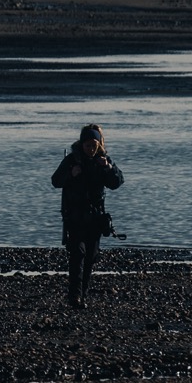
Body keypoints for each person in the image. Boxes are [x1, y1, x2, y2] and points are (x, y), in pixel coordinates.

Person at [51, 123, 124, 309]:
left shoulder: (103, 160)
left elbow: (116, 182)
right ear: (82, 144)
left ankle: (82, 295)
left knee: (91, 256)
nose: (91, 149)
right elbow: (55, 181)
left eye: (94, 145)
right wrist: (70, 174)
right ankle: (74, 297)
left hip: (95, 219)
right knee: (78, 254)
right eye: (88, 145)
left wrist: (108, 169)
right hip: (74, 217)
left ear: (99, 145)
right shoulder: (72, 160)